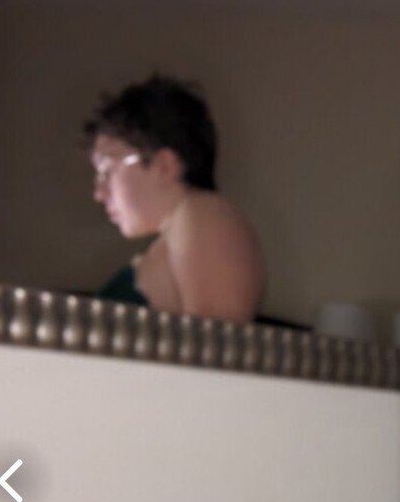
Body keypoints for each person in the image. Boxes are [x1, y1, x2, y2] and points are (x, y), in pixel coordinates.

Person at [85, 74, 265, 322]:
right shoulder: (181, 228)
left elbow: (217, 340)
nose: (99, 193)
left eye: (108, 169)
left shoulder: (203, 214)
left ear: (165, 165)